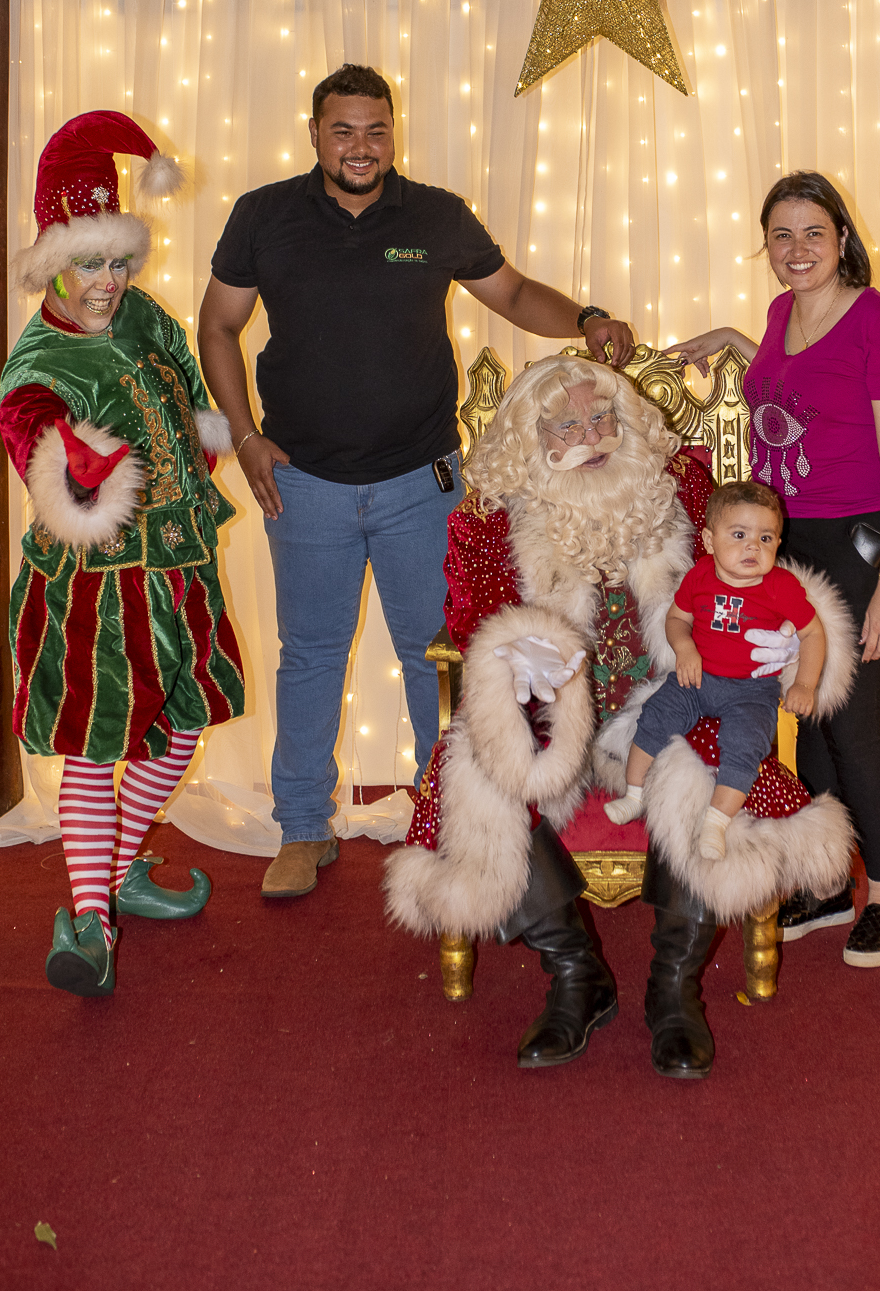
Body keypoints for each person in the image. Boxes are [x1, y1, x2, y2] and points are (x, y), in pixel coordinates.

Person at [197, 63, 635, 900]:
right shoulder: (263, 215)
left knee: (436, 659)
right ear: (315, 134)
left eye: (375, 130)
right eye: (342, 131)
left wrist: (584, 319)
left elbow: (512, 293)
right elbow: (218, 325)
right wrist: (244, 437)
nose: (360, 147)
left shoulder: (434, 214)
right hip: (304, 485)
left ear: (392, 133)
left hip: (420, 485)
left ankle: (452, 825)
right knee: (310, 657)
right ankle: (302, 829)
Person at [384, 356, 857, 1080]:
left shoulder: (682, 488)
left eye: (602, 417)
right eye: (566, 426)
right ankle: (577, 977)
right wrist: (512, 655)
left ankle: (674, 989)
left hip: (678, 694)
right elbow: (471, 622)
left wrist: (791, 641)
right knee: (483, 775)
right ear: (531, 438)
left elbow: (758, 574)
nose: (591, 436)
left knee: (705, 767)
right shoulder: (488, 520)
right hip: (552, 714)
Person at [0, 113, 244, 998]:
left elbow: (187, 387)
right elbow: (32, 438)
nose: (108, 282)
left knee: (181, 726)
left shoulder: (142, 313)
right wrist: (74, 467)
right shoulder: (36, 364)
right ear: (53, 261)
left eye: (119, 263)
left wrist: (204, 451)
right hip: (97, 592)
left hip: (181, 564)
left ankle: (116, 870)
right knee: (97, 749)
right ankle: (90, 924)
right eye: (90, 263)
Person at [667, 170, 880, 968]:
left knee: (850, 724)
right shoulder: (783, 314)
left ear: (842, 238)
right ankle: (822, 881)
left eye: (812, 232)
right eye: (780, 235)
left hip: (859, 544)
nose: (796, 248)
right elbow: (795, 395)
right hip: (788, 544)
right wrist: (732, 339)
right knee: (804, 711)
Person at [605, 481, 823, 859]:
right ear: (709, 540)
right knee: (654, 717)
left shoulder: (782, 587)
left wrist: (805, 683)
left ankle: (716, 822)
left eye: (765, 538)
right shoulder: (701, 574)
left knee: (744, 746)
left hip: (752, 690)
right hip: (697, 677)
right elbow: (677, 618)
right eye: (739, 535)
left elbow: (814, 633)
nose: (753, 547)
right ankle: (634, 794)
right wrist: (685, 647)